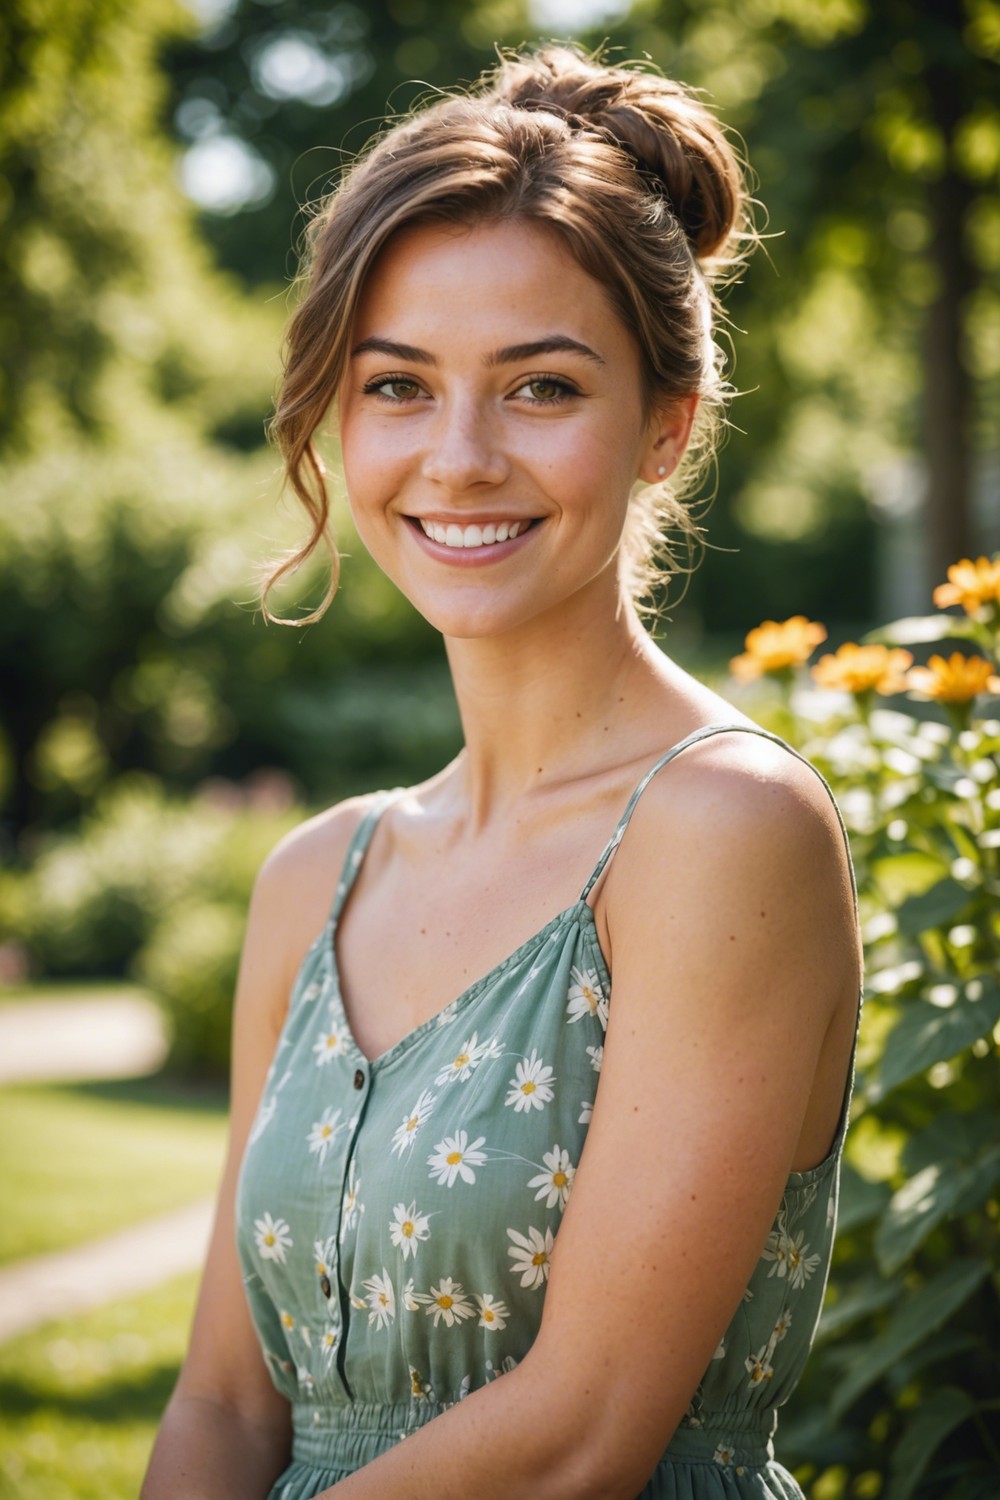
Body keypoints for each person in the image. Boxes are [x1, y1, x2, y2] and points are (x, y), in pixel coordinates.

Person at [142, 42, 863, 1500]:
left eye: (539, 388)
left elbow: (584, 1432)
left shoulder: (725, 829)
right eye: (398, 387)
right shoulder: (313, 878)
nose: (458, 458)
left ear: (665, 425)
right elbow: (224, 1403)